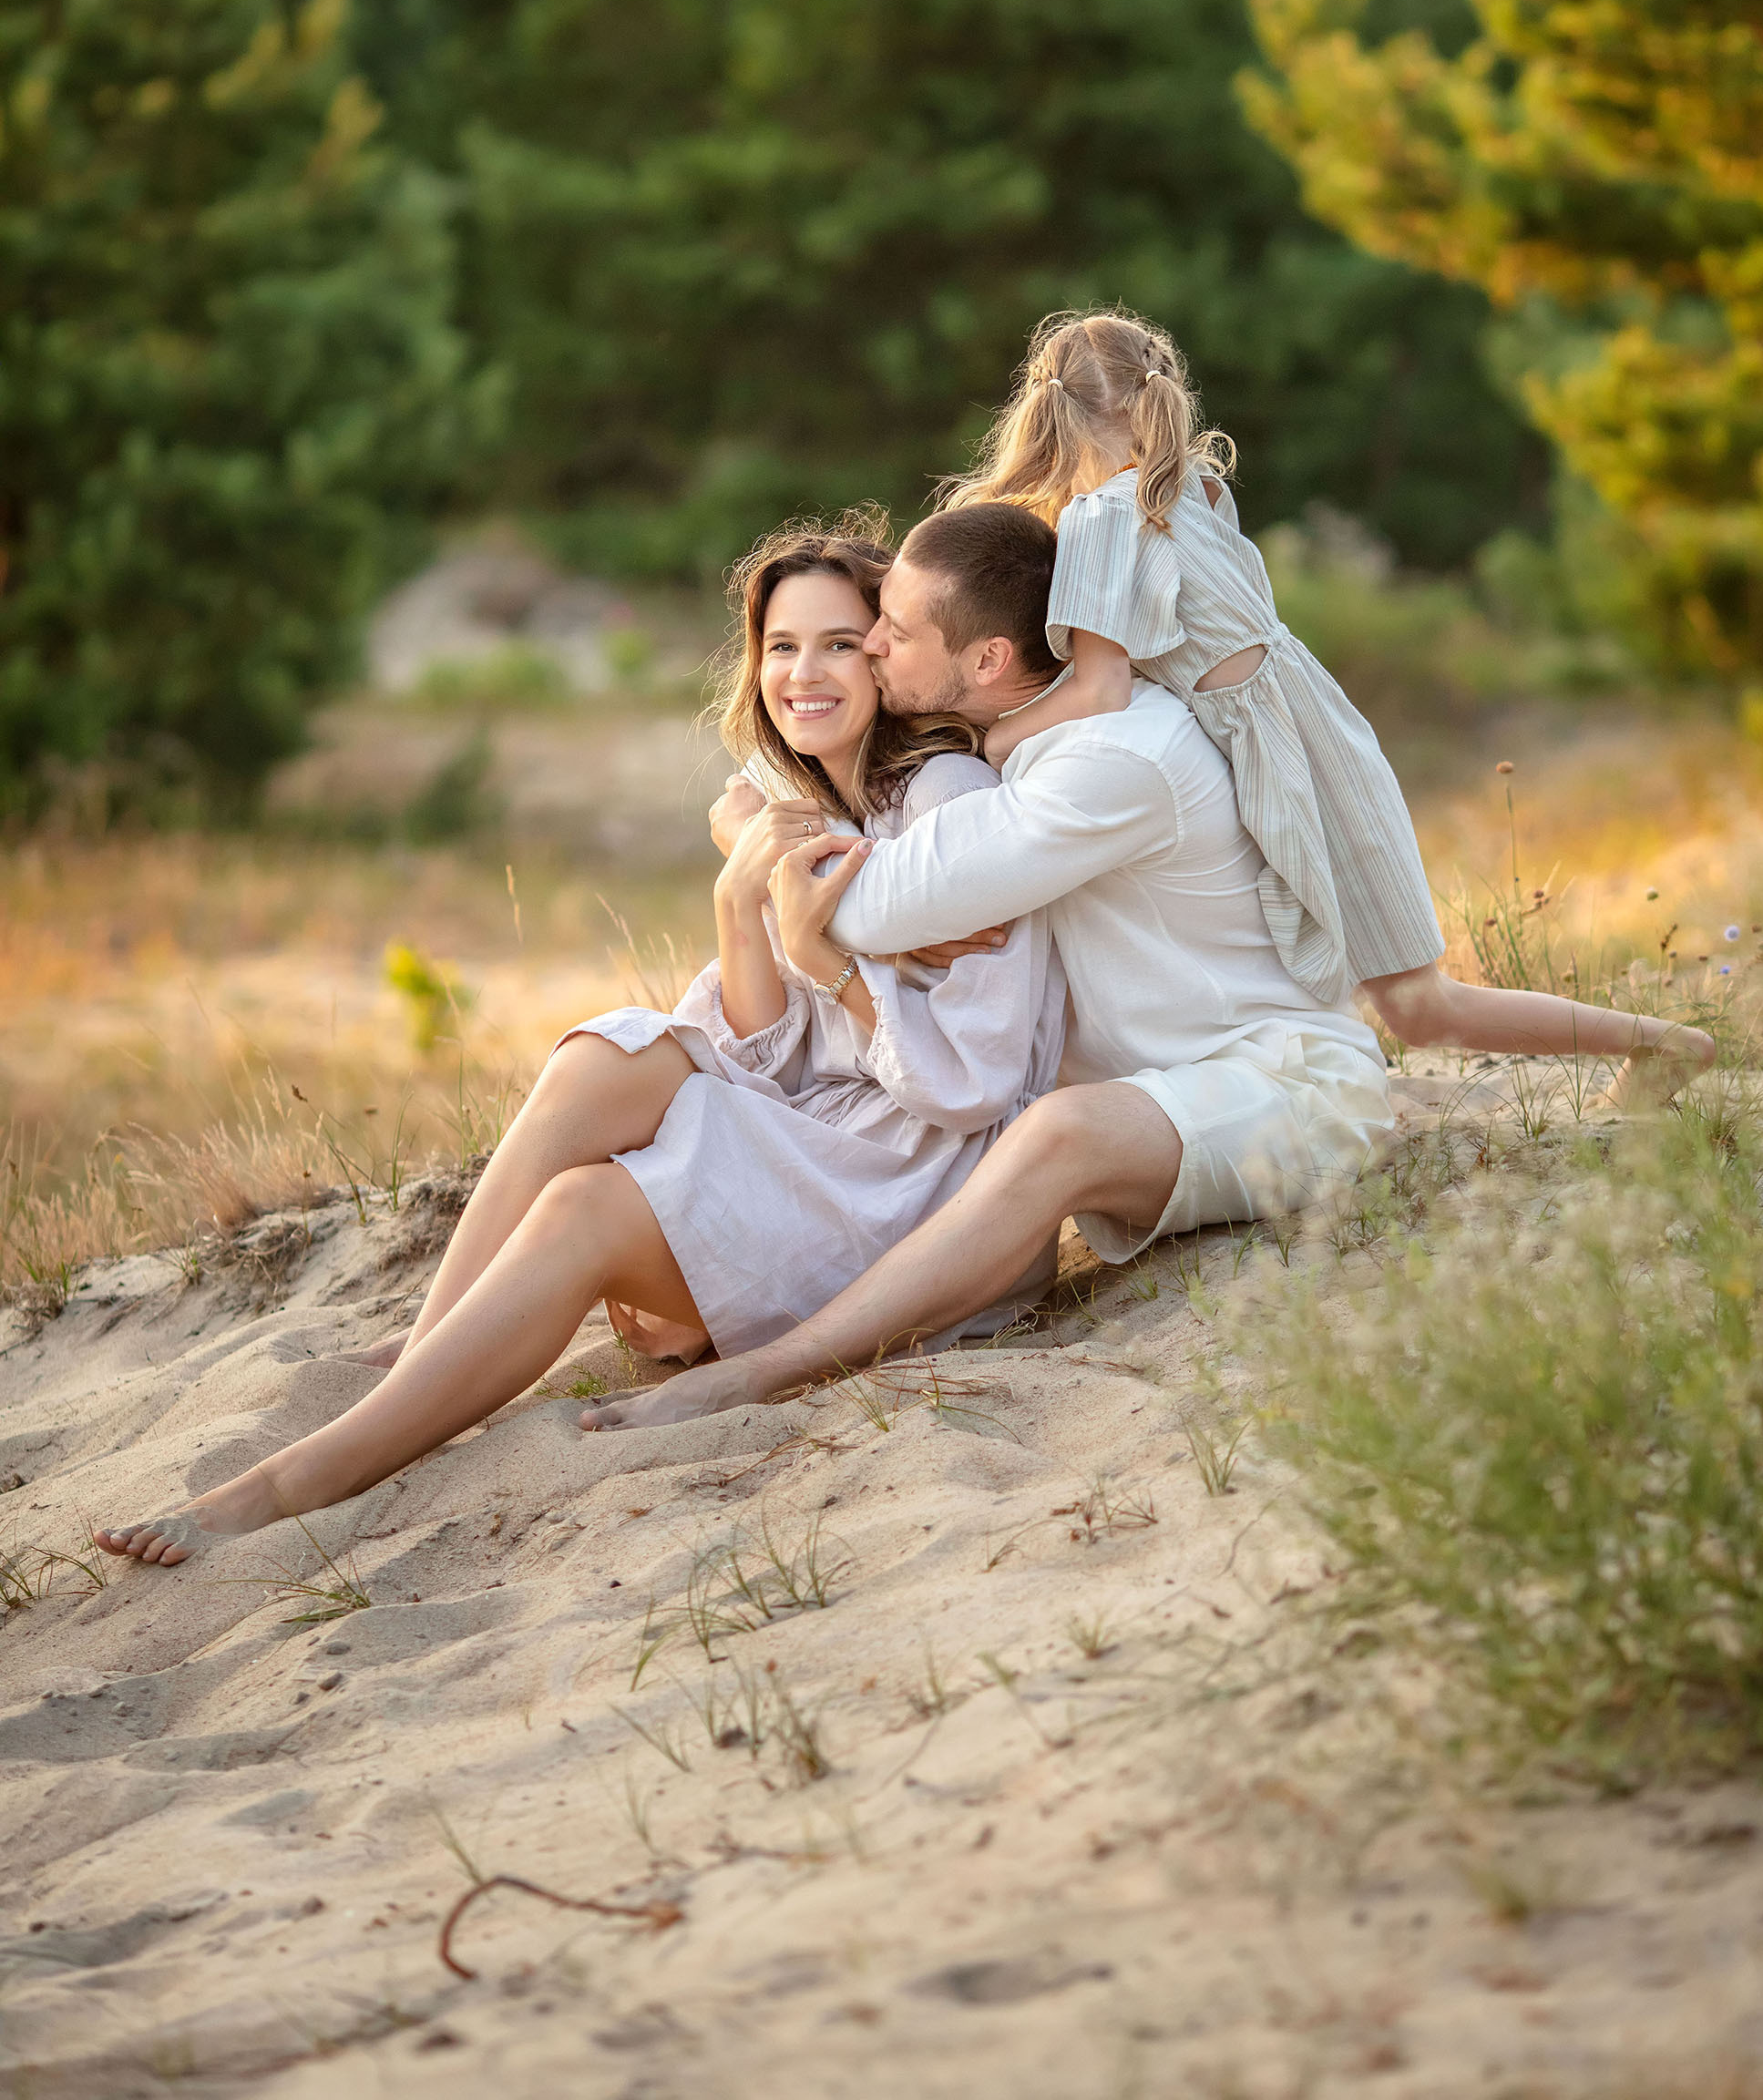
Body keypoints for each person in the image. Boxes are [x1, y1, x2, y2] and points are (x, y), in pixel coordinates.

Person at [97, 517, 1064, 1567]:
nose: (805, 673)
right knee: (607, 1055)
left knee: (580, 1208)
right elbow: (767, 1055)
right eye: (782, 646)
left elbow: (973, 1083)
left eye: (840, 643)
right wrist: (740, 902)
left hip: (918, 1185)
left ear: (884, 655)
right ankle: (426, 1346)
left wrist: (819, 953)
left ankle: (295, 1480)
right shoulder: (808, 807)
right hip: (829, 1146)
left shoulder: (946, 800)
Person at [591, 500, 1400, 1432]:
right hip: (1165, 1095)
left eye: (892, 632)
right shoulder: (1015, 740)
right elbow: (883, 844)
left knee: (1056, 1132)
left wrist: (758, 853)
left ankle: (763, 1373)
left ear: (984, 660)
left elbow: (873, 900)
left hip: (1283, 1086)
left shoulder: (1106, 765)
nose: (872, 646)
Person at [938, 306, 1712, 1076]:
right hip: (1317, 728)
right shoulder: (1196, 489)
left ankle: (1666, 1046)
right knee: (1417, 1005)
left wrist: (990, 740)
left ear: (1047, 416)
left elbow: (1102, 689)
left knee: (1419, 1008)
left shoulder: (1101, 518)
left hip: (1282, 755)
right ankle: (1659, 1046)